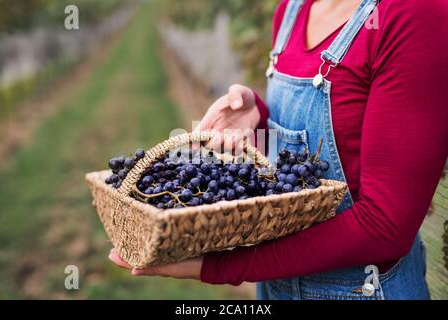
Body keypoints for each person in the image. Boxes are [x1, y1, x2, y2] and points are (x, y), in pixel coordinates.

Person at [109, 0, 448, 299]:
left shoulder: (414, 13)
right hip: (274, 288)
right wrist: (258, 119)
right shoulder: (292, 9)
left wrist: (217, 265)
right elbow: (302, 165)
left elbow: (384, 228)